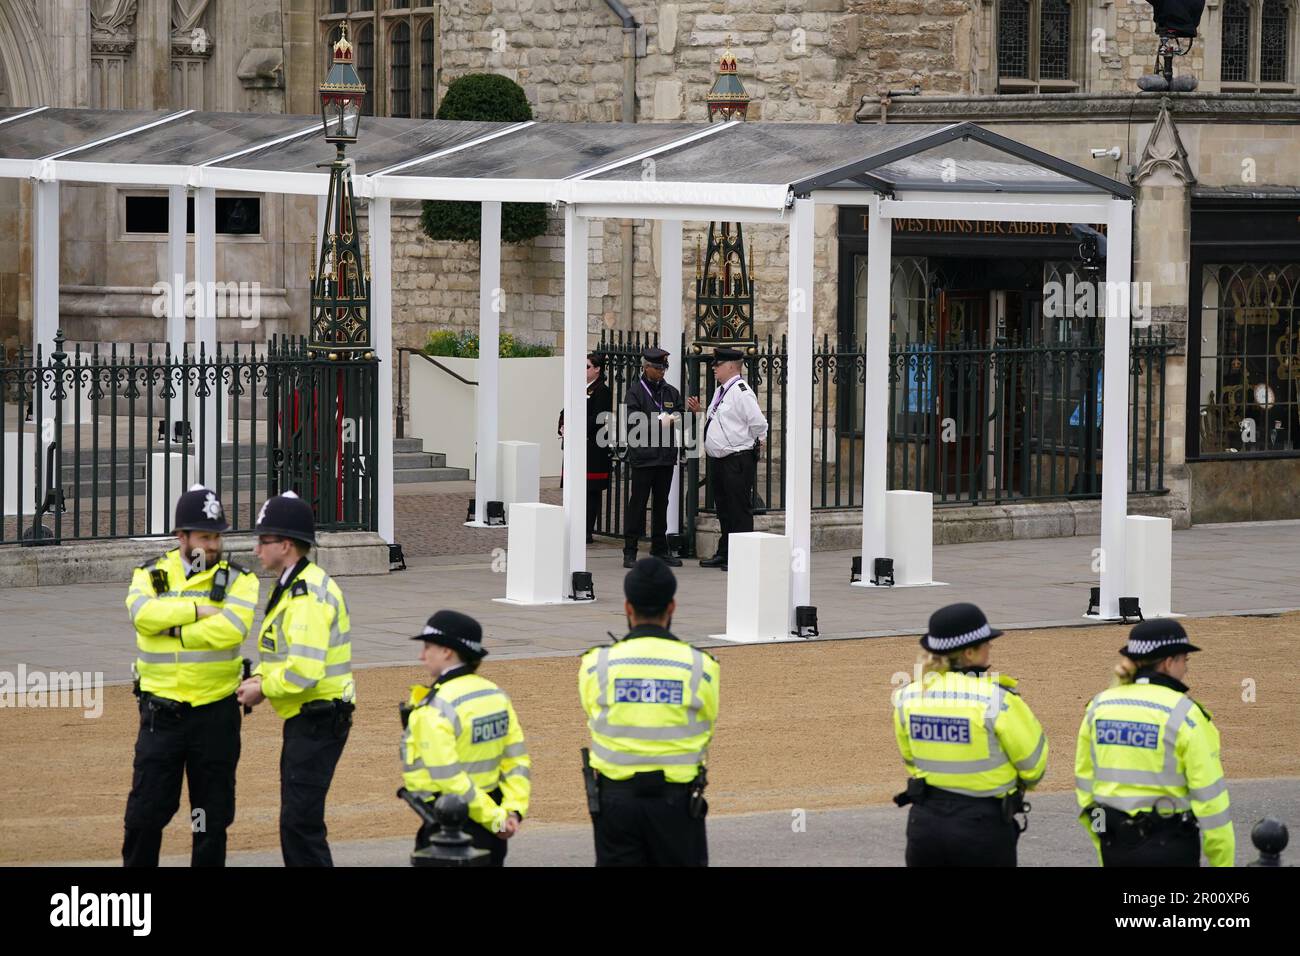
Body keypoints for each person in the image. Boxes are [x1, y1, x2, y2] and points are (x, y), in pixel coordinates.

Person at [122, 484, 259, 867]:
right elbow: (141, 616)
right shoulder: (150, 573)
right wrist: (199, 611)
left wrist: (173, 627)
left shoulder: (239, 580)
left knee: (209, 819)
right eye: (204, 536)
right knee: (146, 816)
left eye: (216, 536)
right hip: (160, 716)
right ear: (181, 536)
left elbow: (231, 630)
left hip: (215, 714)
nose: (213, 545)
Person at [236, 491, 355, 867]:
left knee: (300, 823)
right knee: (298, 820)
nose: (256, 549)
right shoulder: (292, 582)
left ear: (285, 545)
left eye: (263, 540)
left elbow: (304, 670)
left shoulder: (305, 595)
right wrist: (258, 677)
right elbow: (283, 656)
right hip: (311, 716)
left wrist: (262, 688)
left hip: (318, 717)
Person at [578, 557, 719, 866]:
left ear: (628, 608)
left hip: (617, 802)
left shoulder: (596, 665)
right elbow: (706, 724)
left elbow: (592, 711)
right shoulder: (701, 666)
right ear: (672, 607)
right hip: (677, 803)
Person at [891, 602, 1048, 867]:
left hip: (925, 825)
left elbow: (912, 760)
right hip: (982, 828)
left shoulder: (907, 697)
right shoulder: (998, 700)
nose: (991, 648)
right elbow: (1034, 766)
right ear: (970, 652)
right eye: (987, 643)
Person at [1074, 619, 1234, 867]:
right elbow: (1211, 802)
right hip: (1170, 846)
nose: (1186, 669)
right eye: (1185, 660)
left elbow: (1086, 787)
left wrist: (1102, 840)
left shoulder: (1099, 707)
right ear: (1169, 662)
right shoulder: (1185, 714)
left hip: (1115, 847)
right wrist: (1222, 862)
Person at [400, 609, 531, 866]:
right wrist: (511, 811)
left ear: (448, 651)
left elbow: (449, 779)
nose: (421, 655)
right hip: (493, 823)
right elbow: (517, 762)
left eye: (428, 647)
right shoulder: (495, 694)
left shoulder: (436, 706)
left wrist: (494, 817)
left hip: (450, 825)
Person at [686, 347, 768, 571]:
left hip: (737, 459)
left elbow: (758, 423)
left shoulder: (742, 391)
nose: (714, 368)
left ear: (731, 366)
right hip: (720, 459)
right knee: (723, 508)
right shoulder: (722, 390)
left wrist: (756, 441)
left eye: (718, 365)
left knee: (738, 509)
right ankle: (725, 552)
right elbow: (724, 419)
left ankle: (741, 557)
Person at [622, 346, 683, 569]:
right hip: (644, 457)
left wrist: (690, 416)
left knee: (661, 504)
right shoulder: (635, 392)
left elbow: (680, 419)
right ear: (646, 368)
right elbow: (632, 422)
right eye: (658, 368)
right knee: (637, 504)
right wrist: (659, 422)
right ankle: (630, 550)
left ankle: (659, 548)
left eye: (664, 368)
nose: (662, 372)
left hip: (665, 458)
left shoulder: (670, 392)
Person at [558, 352, 614, 544]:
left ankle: (586, 530)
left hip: (592, 449)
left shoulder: (602, 391)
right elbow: (565, 410)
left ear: (597, 369)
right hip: (575, 446)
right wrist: (563, 425)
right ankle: (571, 526)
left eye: (587, 366)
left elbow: (599, 418)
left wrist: (575, 427)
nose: (583, 370)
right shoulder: (578, 387)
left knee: (590, 492)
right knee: (573, 490)